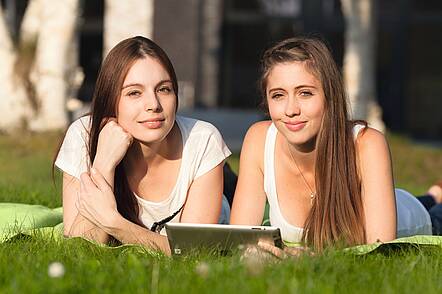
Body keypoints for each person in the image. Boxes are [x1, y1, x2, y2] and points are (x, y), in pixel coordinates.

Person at [230, 36, 442, 255]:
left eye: (305, 93)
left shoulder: (367, 144)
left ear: (330, 96)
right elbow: (240, 242)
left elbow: (379, 251)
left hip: (411, 218)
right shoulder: (259, 139)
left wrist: (306, 259)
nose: (291, 109)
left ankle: (435, 198)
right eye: (278, 95)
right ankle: (435, 193)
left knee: (436, 214)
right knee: (431, 198)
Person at [54, 36, 231, 255]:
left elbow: (192, 251)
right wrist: (104, 163)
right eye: (134, 93)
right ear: (110, 100)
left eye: (163, 89)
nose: (153, 105)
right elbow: (80, 248)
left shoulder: (203, 139)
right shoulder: (83, 135)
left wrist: (114, 223)